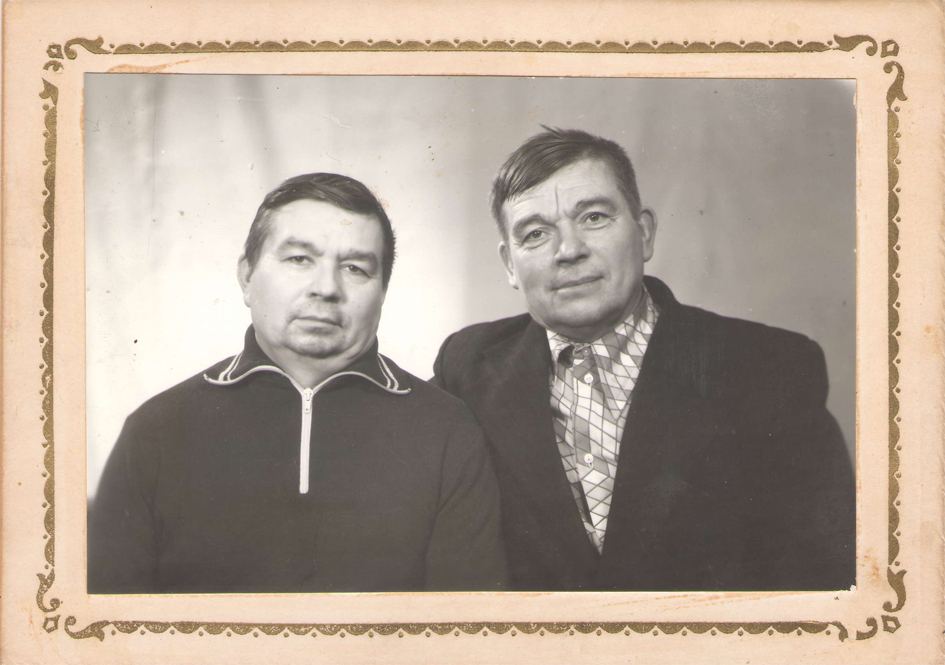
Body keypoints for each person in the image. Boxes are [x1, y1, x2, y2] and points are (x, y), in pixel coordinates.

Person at [433, 128, 855, 592]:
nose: (568, 250)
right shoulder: (467, 368)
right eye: (535, 234)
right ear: (510, 264)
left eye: (594, 217)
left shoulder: (768, 368)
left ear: (645, 232)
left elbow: (826, 578)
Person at [89, 173, 507, 593]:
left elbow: (464, 622)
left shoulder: (446, 430)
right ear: (246, 276)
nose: (326, 288)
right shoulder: (157, 430)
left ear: (383, 292)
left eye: (355, 268)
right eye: (299, 259)